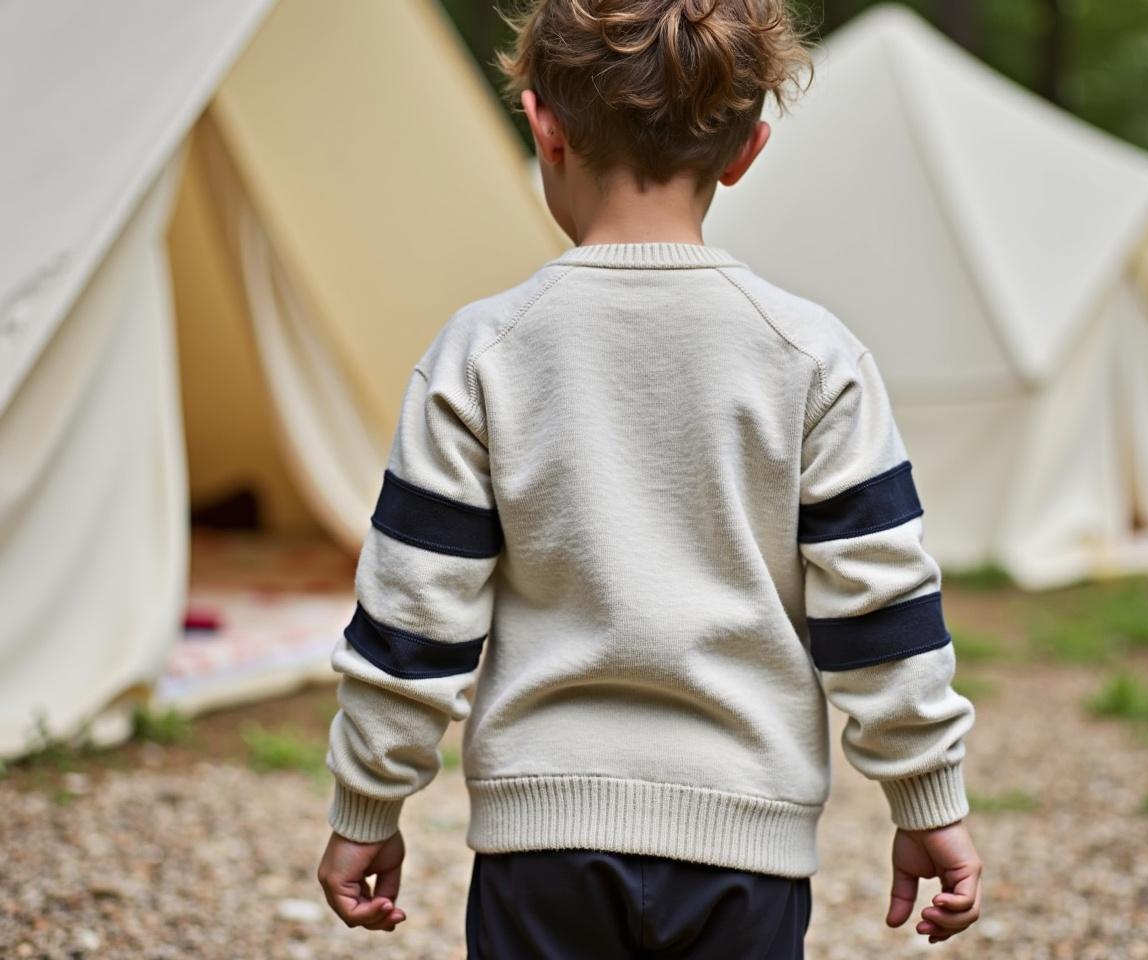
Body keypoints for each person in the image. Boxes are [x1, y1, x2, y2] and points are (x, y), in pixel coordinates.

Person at [315, 0, 982, 955]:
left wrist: (367, 805)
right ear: (747, 149)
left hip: (539, 850)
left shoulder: (481, 353)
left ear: (544, 123)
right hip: (745, 852)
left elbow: (413, 611)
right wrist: (926, 798)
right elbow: (883, 609)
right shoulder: (814, 358)